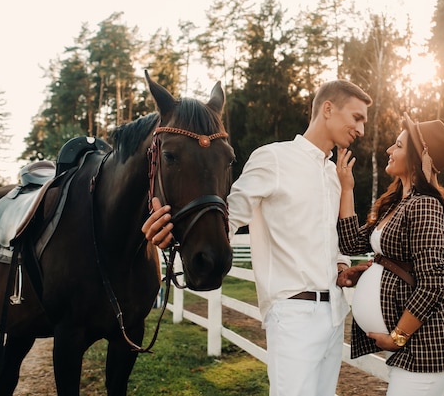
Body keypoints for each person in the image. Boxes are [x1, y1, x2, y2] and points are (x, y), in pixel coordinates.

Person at [142, 80, 373, 396]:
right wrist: (170, 231)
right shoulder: (273, 158)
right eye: (357, 117)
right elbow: (227, 219)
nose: (361, 129)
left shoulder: (334, 174)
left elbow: (328, 239)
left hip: (334, 313)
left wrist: (343, 267)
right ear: (328, 109)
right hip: (293, 314)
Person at [335, 114, 444, 396]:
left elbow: (431, 284)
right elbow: (350, 243)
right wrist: (346, 188)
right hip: (414, 345)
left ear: (416, 157)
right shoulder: (396, 204)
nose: (389, 150)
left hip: (428, 345)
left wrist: (398, 338)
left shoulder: (424, 205)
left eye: (398, 145)